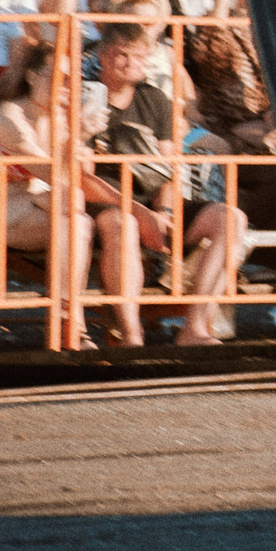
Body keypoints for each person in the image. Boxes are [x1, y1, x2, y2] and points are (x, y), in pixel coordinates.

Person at [88, 25, 248, 346]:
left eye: (140, 56)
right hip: (104, 198)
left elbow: (169, 168)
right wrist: (140, 211)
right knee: (123, 224)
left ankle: (196, 327)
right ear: (103, 56)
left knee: (231, 219)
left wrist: (164, 210)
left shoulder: (155, 99)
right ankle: (131, 334)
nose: (133, 62)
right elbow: (81, 176)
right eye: (123, 54)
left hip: (149, 197)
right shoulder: (86, 96)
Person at [0, 42, 98, 348]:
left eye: (73, 79)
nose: (66, 86)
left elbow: (81, 180)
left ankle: (66, 319)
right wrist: (80, 137)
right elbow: (52, 173)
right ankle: (70, 323)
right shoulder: (10, 115)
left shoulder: (63, 120)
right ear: (33, 76)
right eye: (58, 77)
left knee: (78, 219)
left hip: (30, 204)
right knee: (76, 222)